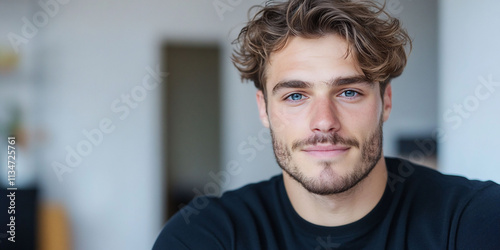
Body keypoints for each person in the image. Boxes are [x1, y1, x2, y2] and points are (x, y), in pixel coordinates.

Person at [153, 0, 500, 249]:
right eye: (295, 96)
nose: (324, 122)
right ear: (264, 108)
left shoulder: (475, 220)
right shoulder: (204, 236)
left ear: (386, 102)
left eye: (348, 92)